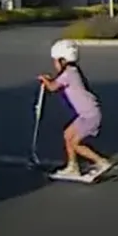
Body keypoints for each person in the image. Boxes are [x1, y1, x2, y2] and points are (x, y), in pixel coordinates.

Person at [38, 39, 113, 181]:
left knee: (75, 143)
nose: (54, 64)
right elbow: (57, 82)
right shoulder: (72, 71)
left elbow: (52, 87)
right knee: (68, 135)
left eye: (55, 61)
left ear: (63, 61)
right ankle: (72, 167)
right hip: (86, 114)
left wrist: (44, 80)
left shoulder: (68, 74)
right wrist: (50, 80)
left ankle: (102, 162)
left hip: (90, 115)